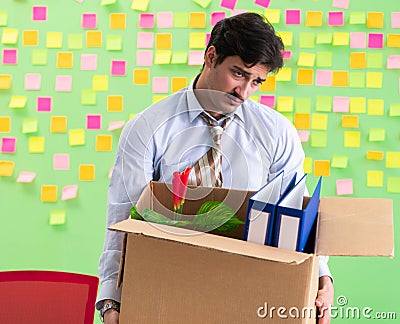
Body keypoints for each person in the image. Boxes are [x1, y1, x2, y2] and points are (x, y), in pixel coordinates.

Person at [96, 12, 334, 323]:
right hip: (168, 290)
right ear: (211, 57)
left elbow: (296, 218)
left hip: (251, 294)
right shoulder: (148, 128)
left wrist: (322, 280)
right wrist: (110, 301)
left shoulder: (277, 133)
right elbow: (122, 217)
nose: (244, 92)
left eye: (256, 81)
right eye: (238, 74)